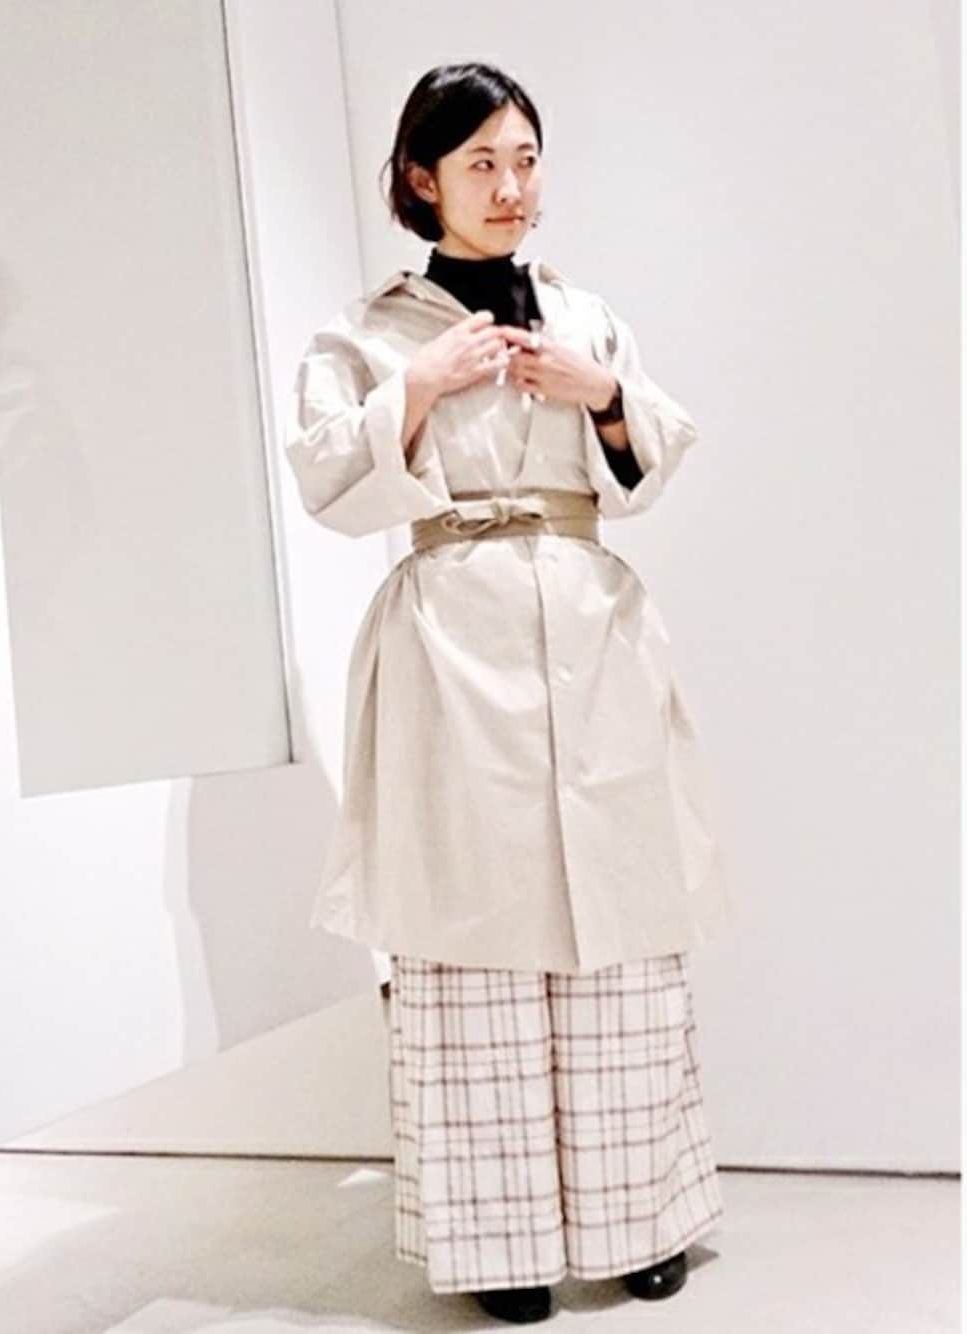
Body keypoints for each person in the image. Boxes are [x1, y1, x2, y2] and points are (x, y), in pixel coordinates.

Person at [285, 61, 737, 1324]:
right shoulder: (365, 333)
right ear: (421, 180)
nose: (510, 186)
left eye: (526, 159)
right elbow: (324, 481)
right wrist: (417, 388)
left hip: (592, 627)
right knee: (469, 942)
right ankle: (500, 1244)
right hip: (450, 634)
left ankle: (642, 1217)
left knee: (619, 936)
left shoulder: (584, 317)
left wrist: (603, 398)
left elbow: (650, 460)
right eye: (480, 162)